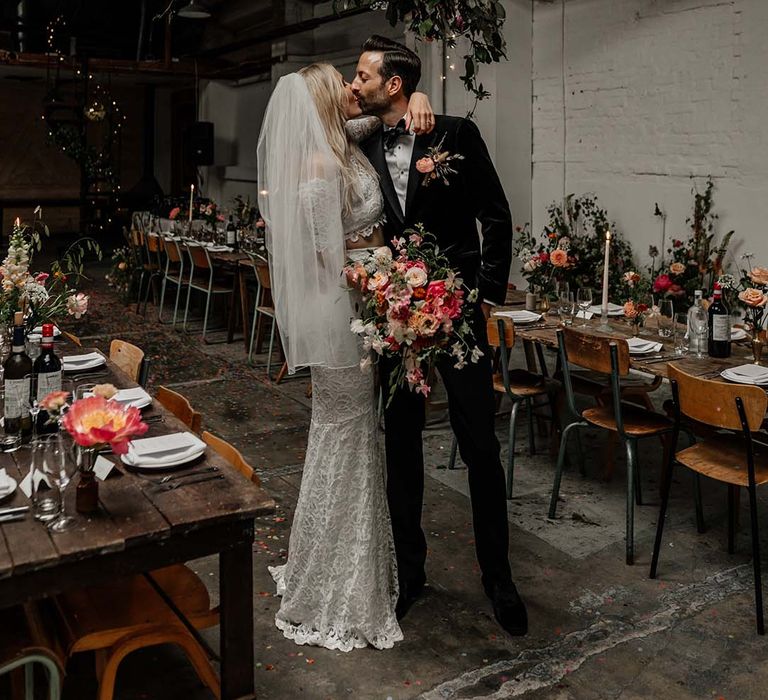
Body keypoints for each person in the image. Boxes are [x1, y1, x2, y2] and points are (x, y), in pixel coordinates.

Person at [351, 36, 528, 636]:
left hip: (458, 318)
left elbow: (496, 215)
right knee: (400, 443)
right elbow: (320, 111)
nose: (356, 84)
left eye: (363, 75)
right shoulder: (363, 137)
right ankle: (411, 571)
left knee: (479, 444)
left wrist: (479, 296)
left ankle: (498, 577)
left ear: (392, 84)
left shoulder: (454, 134)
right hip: (396, 319)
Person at [257, 63, 433, 651]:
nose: (352, 89)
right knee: (346, 434)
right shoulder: (319, 166)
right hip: (345, 312)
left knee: (349, 435)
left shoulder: (341, 139)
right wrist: (377, 284)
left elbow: (389, 114)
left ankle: (334, 565)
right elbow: (319, 260)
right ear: (324, 100)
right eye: (344, 82)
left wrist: (421, 94)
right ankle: (337, 584)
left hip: (366, 305)